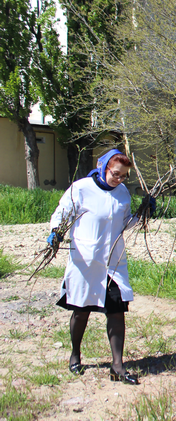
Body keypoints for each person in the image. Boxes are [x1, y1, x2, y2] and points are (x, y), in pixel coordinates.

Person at [49, 149, 154, 385]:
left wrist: (143, 213)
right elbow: (62, 211)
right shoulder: (81, 188)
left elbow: (125, 224)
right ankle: (75, 353)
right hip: (85, 260)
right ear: (103, 167)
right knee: (81, 310)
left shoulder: (122, 193)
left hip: (113, 262)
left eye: (124, 176)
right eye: (116, 174)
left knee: (116, 311)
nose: (119, 179)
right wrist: (55, 232)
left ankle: (117, 365)